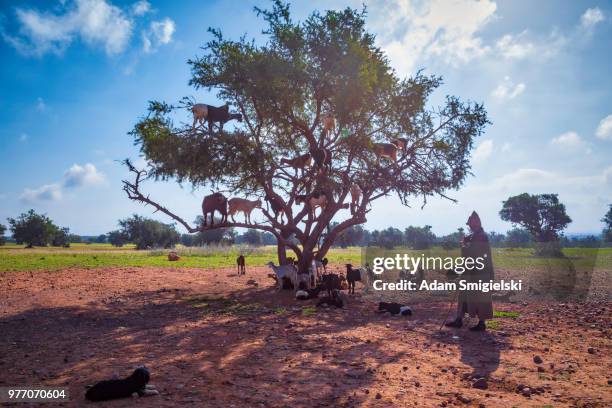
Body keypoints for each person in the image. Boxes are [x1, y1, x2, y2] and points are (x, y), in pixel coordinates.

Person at [445, 211, 494, 331]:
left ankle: (481, 323)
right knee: (463, 296)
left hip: (480, 273)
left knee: (481, 297)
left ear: (476, 223)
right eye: (469, 224)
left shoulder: (482, 236)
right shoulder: (471, 236)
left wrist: (458, 268)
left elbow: (474, 256)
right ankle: (459, 319)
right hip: (469, 272)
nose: (470, 226)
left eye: (471, 223)